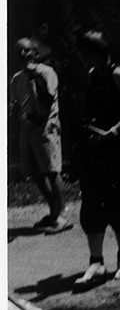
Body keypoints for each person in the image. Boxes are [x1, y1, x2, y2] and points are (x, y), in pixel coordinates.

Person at [72, 30, 120, 285]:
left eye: (81, 52)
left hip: (116, 149)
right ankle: (96, 262)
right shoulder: (92, 75)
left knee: (118, 201)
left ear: (93, 51)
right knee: (90, 202)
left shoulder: (118, 73)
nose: (79, 58)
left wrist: (113, 131)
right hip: (94, 149)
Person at [9, 37, 68, 232]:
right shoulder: (16, 79)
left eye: (27, 50)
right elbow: (15, 106)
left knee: (52, 171)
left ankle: (62, 216)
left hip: (45, 128)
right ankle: (53, 212)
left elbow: (47, 99)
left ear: (35, 53)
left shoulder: (46, 72)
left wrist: (34, 75)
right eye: (19, 50)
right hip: (27, 131)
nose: (23, 54)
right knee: (34, 173)